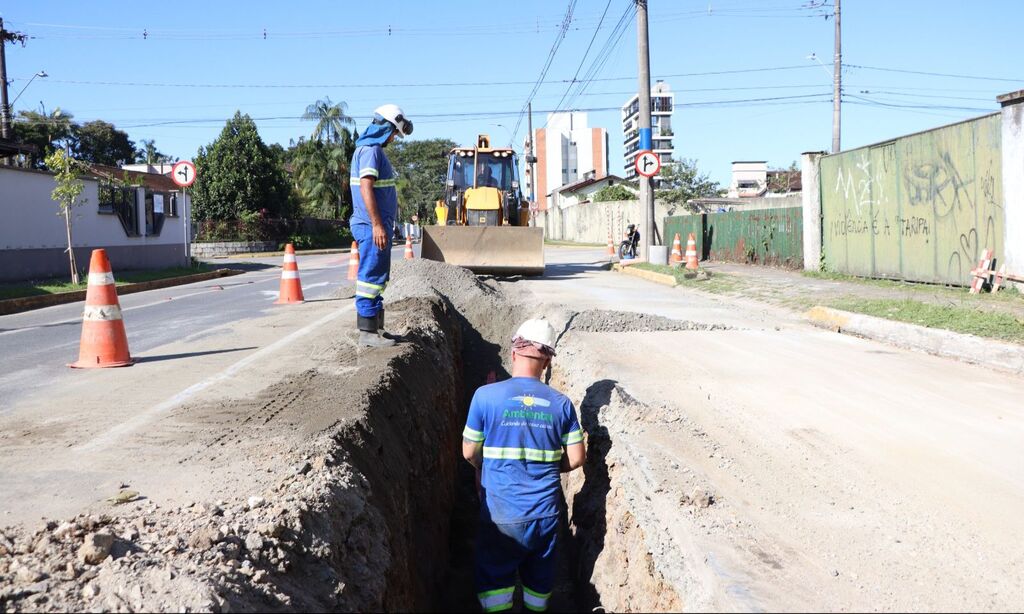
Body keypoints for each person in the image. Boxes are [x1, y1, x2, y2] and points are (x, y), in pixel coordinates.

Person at [462, 319, 586, 613]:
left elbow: (469, 452)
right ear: (547, 361)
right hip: (545, 514)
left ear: (514, 352)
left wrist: (489, 467)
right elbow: (578, 457)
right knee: (538, 584)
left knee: (496, 583)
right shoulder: (562, 403)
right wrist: (543, 466)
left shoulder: (485, 396)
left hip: (501, 513)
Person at [349, 103, 413, 348]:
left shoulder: (369, 150)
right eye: (395, 134)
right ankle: (367, 334)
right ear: (388, 128)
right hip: (370, 226)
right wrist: (377, 224)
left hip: (375, 225)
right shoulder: (371, 151)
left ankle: (377, 329)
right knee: (370, 278)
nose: (394, 139)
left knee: (377, 278)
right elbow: (366, 188)